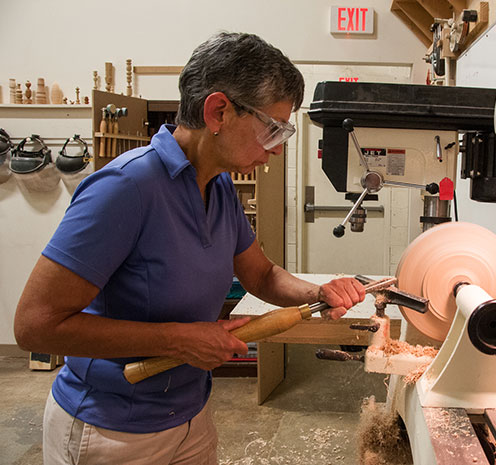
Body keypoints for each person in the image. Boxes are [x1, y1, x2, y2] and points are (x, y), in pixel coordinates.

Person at [13, 32, 366, 465]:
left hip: (190, 414)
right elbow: (34, 326)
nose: (273, 152)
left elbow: (261, 275)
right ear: (218, 110)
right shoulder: (125, 188)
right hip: (112, 430)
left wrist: (319, 292)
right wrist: (179, 340)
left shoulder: (217, 186)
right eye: (272, 130)